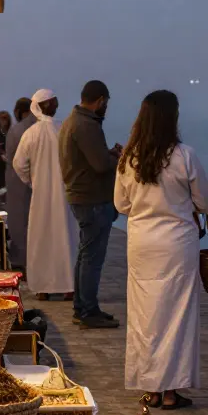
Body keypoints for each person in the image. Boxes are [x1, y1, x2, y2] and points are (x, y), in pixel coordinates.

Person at [115, 90, 208, 410]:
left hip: (142, 243)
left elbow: (121, 204)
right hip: (177, 244)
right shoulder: (185, 155)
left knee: (144, 316)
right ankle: (171, 391)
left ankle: (151, 387)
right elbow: (203, 203)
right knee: (177, 316)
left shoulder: (129, 157)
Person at [59, 80, 123, 329]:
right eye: (106, 103)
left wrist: (108, 153)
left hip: (82, 197)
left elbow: (91, 158)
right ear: (101, 100)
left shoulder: (74, 121)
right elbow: (99, 165)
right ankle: (87, 311)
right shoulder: (87, 125)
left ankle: (85, 307)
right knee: (92, 258)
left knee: (86, 255)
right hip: (92, 199)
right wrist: (117, 158)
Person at [13, 90, 77, 300]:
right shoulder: (64, 129)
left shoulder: (32, 133)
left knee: (42, 238)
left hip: (40, 195)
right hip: (65, 194)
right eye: (54, 101)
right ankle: (69, 286)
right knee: (65, 236)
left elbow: (19, 164)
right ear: (47, 105)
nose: (57, 104)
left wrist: (33, 181)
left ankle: (43, 288)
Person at [5, 97, 36, 272]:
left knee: (19, 223)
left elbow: (15, 160)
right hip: (32, 182)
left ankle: (21, 260)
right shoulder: (37, 128)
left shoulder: (18, 129)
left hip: (19, 181)